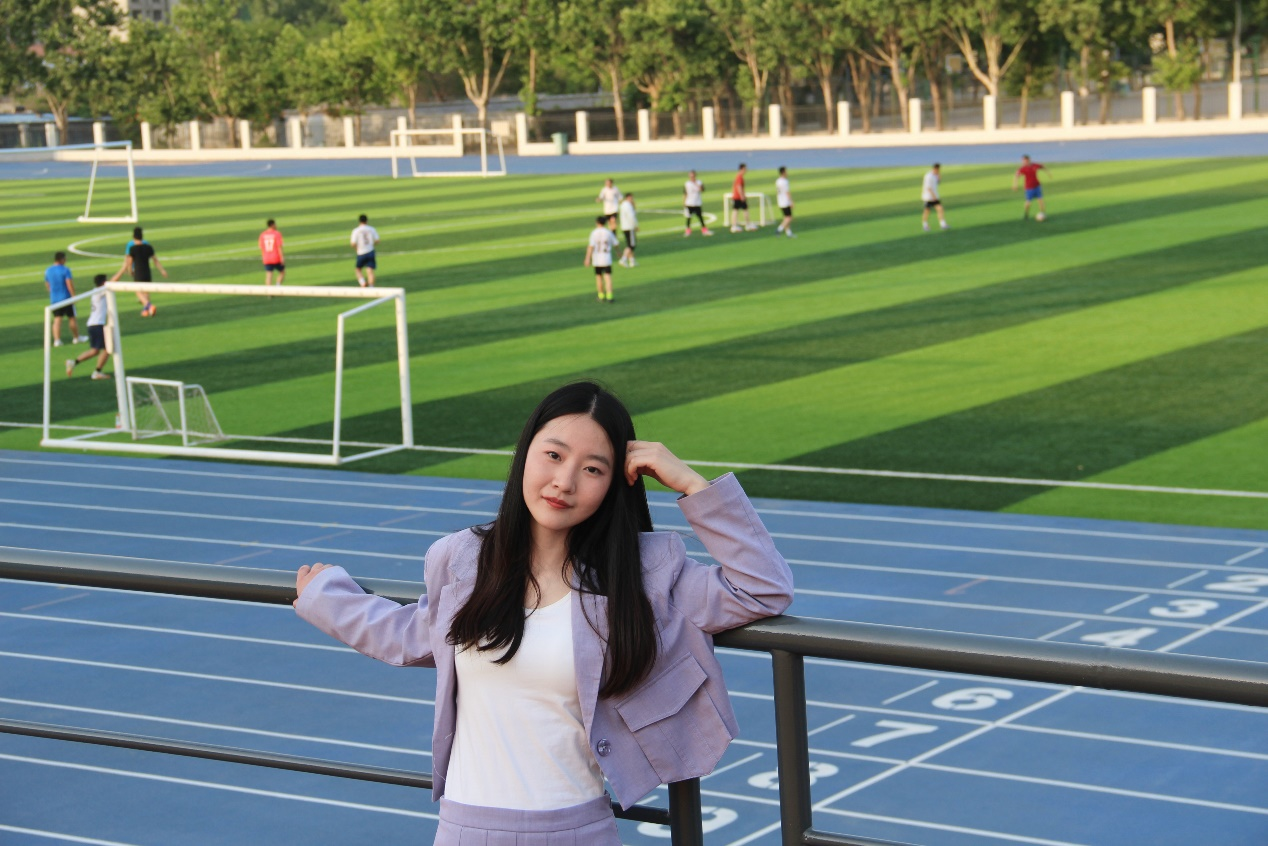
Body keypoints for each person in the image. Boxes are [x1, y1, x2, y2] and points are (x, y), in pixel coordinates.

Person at [294, 381, 793, 846]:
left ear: (613, 484)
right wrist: (327, 599)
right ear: (525, 452)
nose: (564, 482)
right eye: (553, 455)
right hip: (465, 829)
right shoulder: (464, 559)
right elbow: (415, 634)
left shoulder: (643, 575)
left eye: (593, 469)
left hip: (579, 829)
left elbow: (762, 588)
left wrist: (690, 482)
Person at [111, 226, 167, 317]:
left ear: (133, 236)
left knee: (138, 291)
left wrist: (129, 270)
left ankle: (149, 306)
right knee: (146, 291)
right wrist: (162, 270)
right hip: (147, 272)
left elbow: (129, 261)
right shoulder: (148, 246)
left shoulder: (132, 247)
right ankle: (146, 311)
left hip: (138, 272)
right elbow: (155, 260)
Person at [65, 274, 111, 380]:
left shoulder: (96, 291)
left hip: (93, 324)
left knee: (95, 351)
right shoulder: (100, 291)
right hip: (97, 324)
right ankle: (97, 372)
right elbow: (113, 282)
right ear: (104, 282)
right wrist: (123, 269)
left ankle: (73, 362)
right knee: (108, 348)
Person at [45, 251, 85, 347]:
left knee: (57, 319)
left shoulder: (48, 270)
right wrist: (74, 296)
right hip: (66, 298)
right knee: (72, 318)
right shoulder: (65, 270)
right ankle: (76, 337)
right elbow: (69, 284)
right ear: (62, 259)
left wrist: (53, 293)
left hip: (55, 299)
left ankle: (57, 340)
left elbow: (47, 285)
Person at [584, 216, 618, 303]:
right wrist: (619, 252)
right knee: (608, 277)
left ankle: (601, 296)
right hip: (606, 258)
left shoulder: (594, 233)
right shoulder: (608, 232)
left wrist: (587, 258)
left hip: (597, 259)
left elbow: (591, 246)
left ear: (597, 223)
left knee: (599, 277)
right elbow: (615, 243)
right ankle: (610, 296)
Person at [1013, 155, 1048, 221]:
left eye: (1025, 161)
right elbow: (1016, 176)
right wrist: (1015, 185)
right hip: (1029, 187)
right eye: (1023, 161)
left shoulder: (1035, 165)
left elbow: (1042, 166)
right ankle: (1026, 214)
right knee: (1028, 202)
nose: (1024, 162)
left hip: (1037, 186)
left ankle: (1043, 213)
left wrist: (1048, 173)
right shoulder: (1022, 168)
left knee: (1040, 201)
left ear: (1029, 160)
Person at [351, 214, 380, 287]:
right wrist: (371, 245)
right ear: (366, 221)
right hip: (370, 251)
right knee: (370, 270)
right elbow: (377, 241)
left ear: (359, 221)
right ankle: (371, 287)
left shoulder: (356, 230)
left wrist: (357, 249)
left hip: (361, 252)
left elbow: (353, 243)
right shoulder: (371, 229)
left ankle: (362, 282)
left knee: (358, 269)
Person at [729, 163, 757, 232]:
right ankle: (746, 225)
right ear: (742, 169)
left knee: (737, 210)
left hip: (736, 196)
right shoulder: (739, 177)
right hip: (739, 197)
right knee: (743, 210)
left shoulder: (738, 176)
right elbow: (739, 187)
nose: (746, 170)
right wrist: (742, 196)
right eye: (745, 169)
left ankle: (735, 225)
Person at [683, 170, 711, 236]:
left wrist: (696, 184)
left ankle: (704, 230)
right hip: (689, 203)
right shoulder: (687, 184)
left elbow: (702, 190)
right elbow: (685, 193)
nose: (692, 177)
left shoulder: (699, 182)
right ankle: (688, 230)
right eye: (691, 176)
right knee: (688, 218)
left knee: (700, 217)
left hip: (697, 203)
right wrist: (684, 202)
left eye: (693, 176)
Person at [922, 163, 949, 232]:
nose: (939, 171)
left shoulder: (935, 175)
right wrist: (933, 196)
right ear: (935, 169)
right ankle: (925, 225)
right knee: (927, 211)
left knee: (940, 209)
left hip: (934, 196)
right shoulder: (928, 176)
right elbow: (928, 187)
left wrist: (939, 176)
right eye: (938, 170)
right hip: (928, 197)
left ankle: (943, 224)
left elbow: (937, 182)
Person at [259, 219, 286, 288]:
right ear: (272, 225)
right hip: (276, 257)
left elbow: (261, 247)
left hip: (266, 258)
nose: (276, 225)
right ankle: (278, 286)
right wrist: (282, 257)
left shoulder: (262, 234)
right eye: (275, 224)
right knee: (282, 272)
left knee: (268, 275)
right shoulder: (277, 234)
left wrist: (263, 257)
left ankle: (268, 291)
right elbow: (279, 246)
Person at [617, 192, 638, 268]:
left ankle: (632, 261)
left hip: (625, 227)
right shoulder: (628, 205)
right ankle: (623, 259)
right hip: (629, 227)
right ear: (628, 198)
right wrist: (635, 225)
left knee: (629, 244)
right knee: (631, 245)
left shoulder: (623, 205)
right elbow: (631, 216)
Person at [774, 166, 795, 238]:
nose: (787, 173)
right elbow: (787, 192)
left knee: (786, 217)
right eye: (786, 171)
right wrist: (791, 201)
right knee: (789, 218)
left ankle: (788, 233)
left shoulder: (778, 181)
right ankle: (779, 229)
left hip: (780, 201)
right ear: (783, 172)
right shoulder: (785, 181)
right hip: (785, 201)